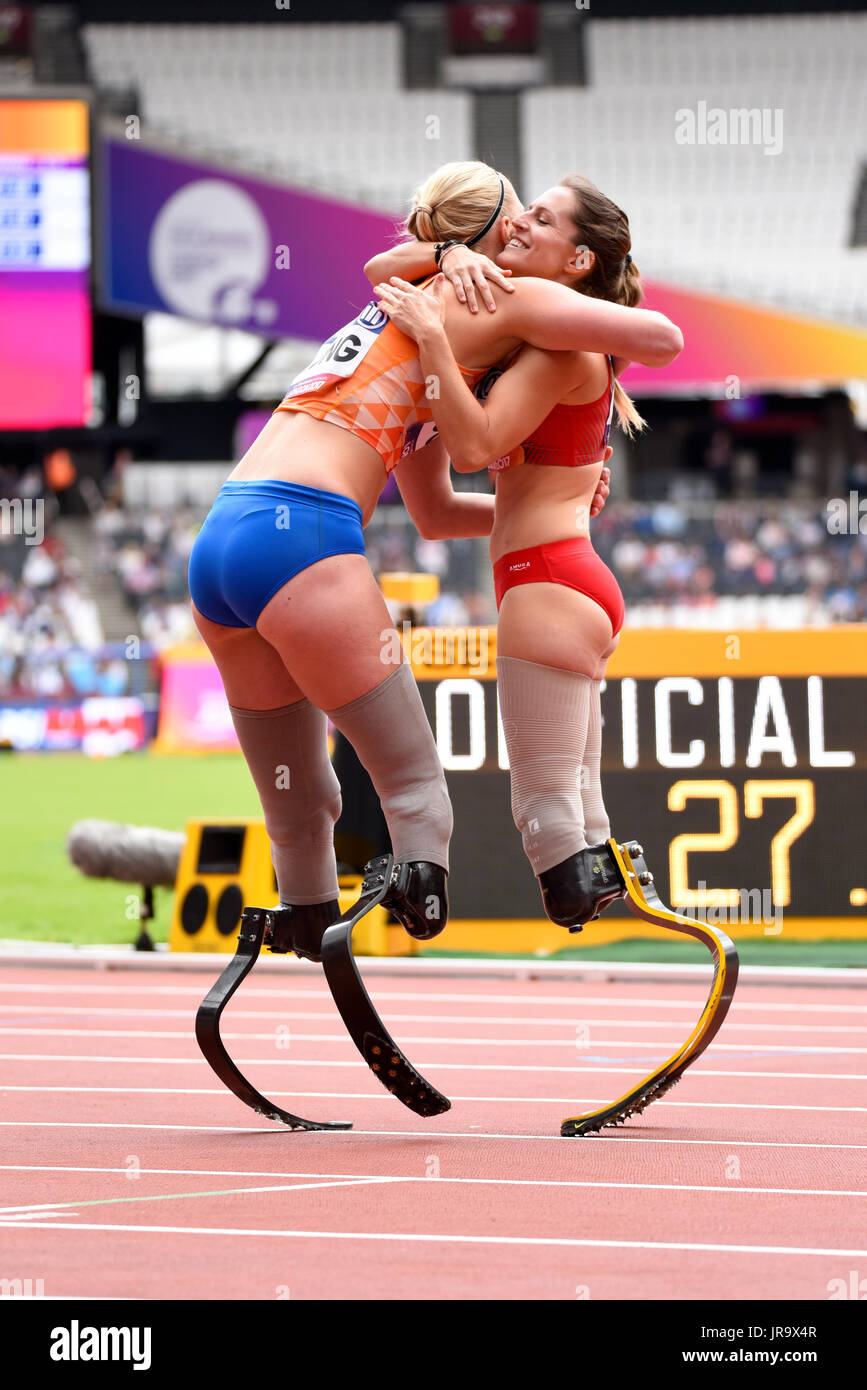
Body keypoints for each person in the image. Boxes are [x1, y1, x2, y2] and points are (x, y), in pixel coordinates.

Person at [187, 161, 682, 955]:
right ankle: (416, 911)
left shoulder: (411, 310)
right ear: (481, 239)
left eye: (537, 220)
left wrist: (523, 503)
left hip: (223, 543)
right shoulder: (502, 296)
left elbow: (434, 511)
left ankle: (308, 918)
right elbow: (658, 339)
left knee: (300, 794)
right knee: (416, 791)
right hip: (304, 534)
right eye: (517, 216)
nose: (520, 227)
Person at [371, 172, 674, 927]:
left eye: (541, 219)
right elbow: (383, 267)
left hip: (545, 584)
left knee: (542, 813)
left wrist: (434, 339)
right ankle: (618, 901)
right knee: (578, 810)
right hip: (566, 579)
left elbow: (471, 445)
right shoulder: (551, 342)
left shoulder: (559, 349)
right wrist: (444, 255)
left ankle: (594, 901)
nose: (520, 227)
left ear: (577, 261)